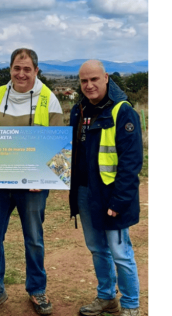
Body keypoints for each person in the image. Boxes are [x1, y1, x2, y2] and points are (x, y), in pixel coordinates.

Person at [0, 48, 64, 316]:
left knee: (34, 239)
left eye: (27, 68)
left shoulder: (49, 99)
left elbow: (59, 150)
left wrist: (44, 179)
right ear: (10, 69)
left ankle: (37, 290)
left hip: (33, 186)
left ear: (36, 70)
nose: (21, 73)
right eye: (16, 68)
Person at [70, 60, 143, 316]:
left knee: (120, 252)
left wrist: (119, 202)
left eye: (94, 79)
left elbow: (131, 163)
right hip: (84, 193)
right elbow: (68, 153)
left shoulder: (122, 112)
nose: (89, 86)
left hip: (112, 195)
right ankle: (106, 297)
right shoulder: (78, 110)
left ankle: (131, 305)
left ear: (106, 78)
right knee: (97, 249)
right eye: (83, 81)